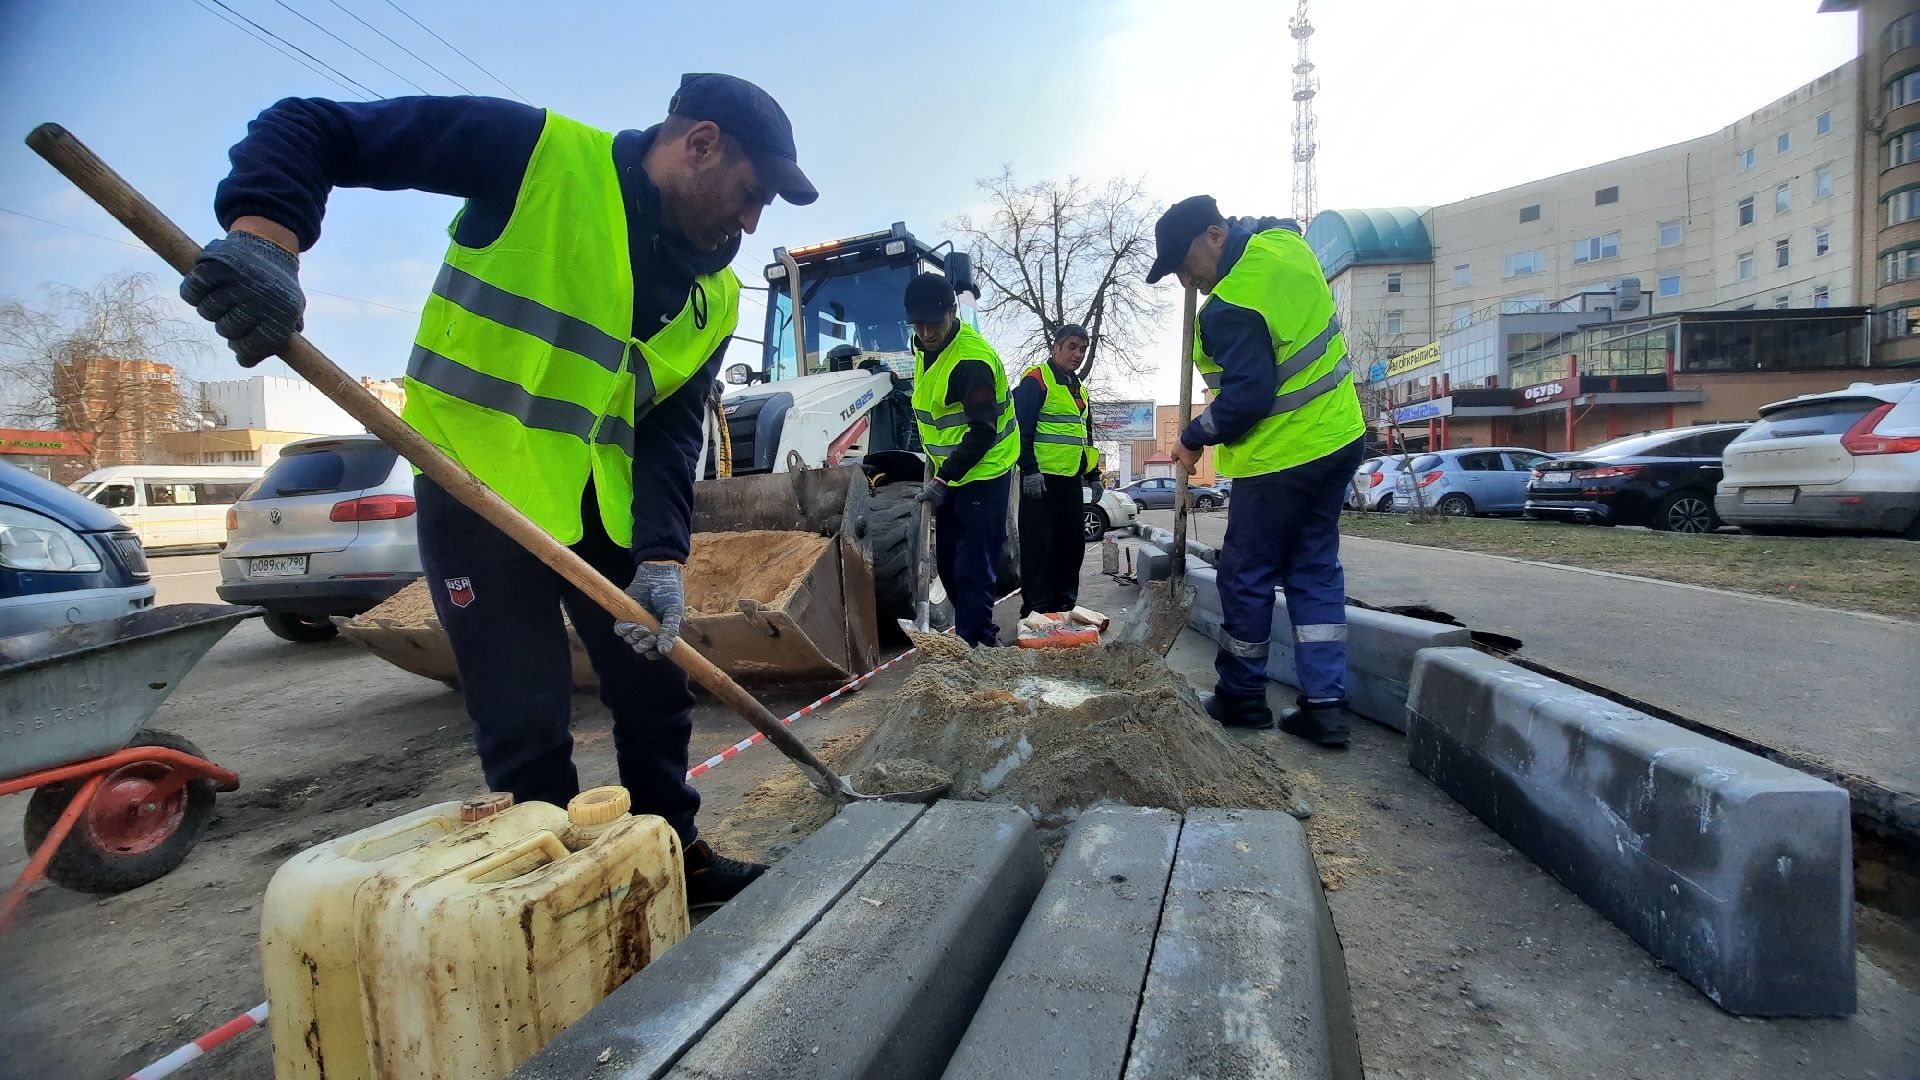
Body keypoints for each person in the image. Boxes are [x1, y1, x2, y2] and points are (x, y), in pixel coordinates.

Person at [179, 74, 817, 905]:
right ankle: (562, 897)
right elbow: (312, 125)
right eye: (750, 192)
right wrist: (267, 238)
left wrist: (662, 555)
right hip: (477, 488)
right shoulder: (538, 157)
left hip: (599, 505)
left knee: (655, 687)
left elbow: (668, 432)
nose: (750, 219)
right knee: (524, 714)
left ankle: (671, 855)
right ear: (700, 144)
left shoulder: (715, 292)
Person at [1145, 195, 1367, 745]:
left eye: (1183, 262)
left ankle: (1242, 697)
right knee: (1314, 571)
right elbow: (1277, 222)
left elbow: (1247, 398)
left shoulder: (1228, 306)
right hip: (1338, 437)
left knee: (1246, 575)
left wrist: (1193, 437)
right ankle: (1326, 706)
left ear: (1215, 237)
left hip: (1282, 457)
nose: (1183, 279)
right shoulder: (1284, 244)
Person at [904, 273, 1016, 647]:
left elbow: (983, 433)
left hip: (985, 469)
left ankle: (980, 644)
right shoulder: (921, 347)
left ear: (953, 312)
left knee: (973, 564)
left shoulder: (972, 361)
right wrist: (939, 470)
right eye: (918, 325)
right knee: (949, 564)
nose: (926, 333)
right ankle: (970, 633)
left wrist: (942, 478)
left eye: (933, 324)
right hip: (951, 473)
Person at [1013, 324, 1102, 616]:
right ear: (1057, 347)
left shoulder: (1079, 390)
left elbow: (1084, 438)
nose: (1078, 354)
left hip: (1069, 483)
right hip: (1041, 482)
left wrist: (1093, 474)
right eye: (1072, 347)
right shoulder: (1037, 380)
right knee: (1038, 548)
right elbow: (1020, 429)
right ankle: (1036, 610)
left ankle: (1064, 606)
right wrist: (1029, 469)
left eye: (1083, 350)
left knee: (1071, 546)